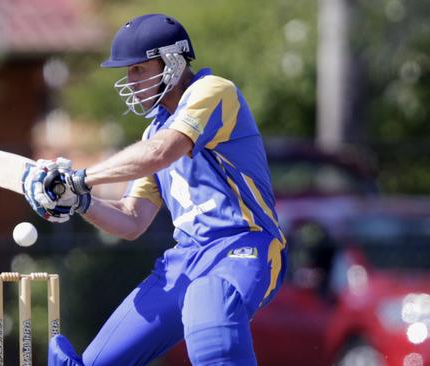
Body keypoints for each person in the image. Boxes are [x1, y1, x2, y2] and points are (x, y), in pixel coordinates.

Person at [22, 13, 287, 366]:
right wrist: (80, 201)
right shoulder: (152, 133)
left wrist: (79, 178)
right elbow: (132, 221)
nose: (130, 81)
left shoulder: (213, 92)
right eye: (128, 72)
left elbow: (163, 152)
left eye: (138, 70)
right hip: (185, 259)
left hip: (243, 244)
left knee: (211, 304)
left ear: (174, 62)